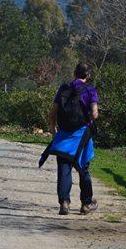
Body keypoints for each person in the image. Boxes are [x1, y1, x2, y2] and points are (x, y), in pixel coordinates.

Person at [43, 62, 99, 216]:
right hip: (81, 136)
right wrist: (90, 118)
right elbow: (94, 113)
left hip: (63, 136)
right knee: (83, 169)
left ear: (74, 73)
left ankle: (64, 203)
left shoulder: (64, 88)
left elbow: (52, 114)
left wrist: (54, 132)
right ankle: (86, 204)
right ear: (88, 75)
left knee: (64, 169)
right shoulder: (90, 89)